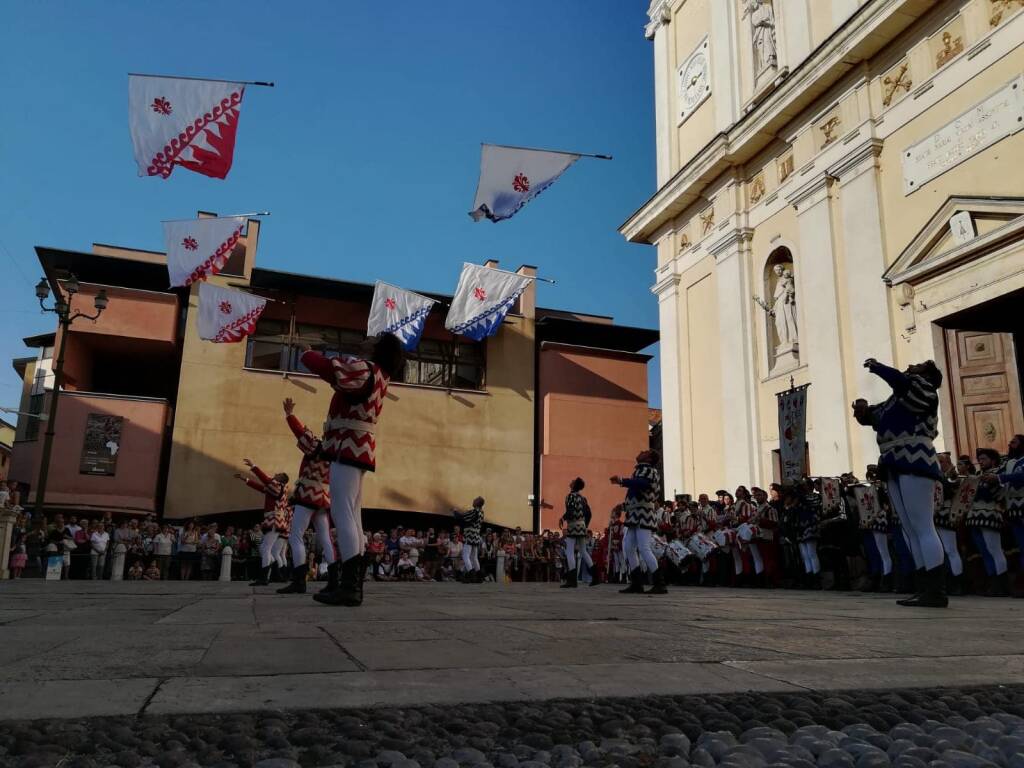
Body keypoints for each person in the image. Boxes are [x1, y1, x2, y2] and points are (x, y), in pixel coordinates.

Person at [301, 334, 405, 607]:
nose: (367, 339)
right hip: (357, 447)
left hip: (348, 445)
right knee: (352, 515)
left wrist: (307, 354)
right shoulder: (380, 374)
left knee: (342, 512)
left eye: (374, 338)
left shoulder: (365, 368)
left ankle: (349, 586)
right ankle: (352, 582)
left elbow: (331, 369)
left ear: (379, 349)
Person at [853, 358, 947, 608]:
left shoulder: (924, 390)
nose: (910, 367)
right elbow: (875, 416)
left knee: (922, 525)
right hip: (894, 462)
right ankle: (924, 585)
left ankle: (936, 589)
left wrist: (878, 368)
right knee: (910, 528)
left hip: (915, 458)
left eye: (916, 366)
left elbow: (902, 382)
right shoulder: (899, 399)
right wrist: (862, 412)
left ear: (926, 374)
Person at [278, 397, 335, 595]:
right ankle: (335, 579)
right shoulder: (335, 451)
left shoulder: (318, 446)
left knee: (295, 536)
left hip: (308, 494)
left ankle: (299, 580)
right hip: (324, 496)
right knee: (325, 537)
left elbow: (300, 432)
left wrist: (289, 414)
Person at [612, 449, 664, 595]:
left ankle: (659, 583)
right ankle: (637, 583)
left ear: (648, 458)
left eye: (645, 452)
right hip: (635, 514)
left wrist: (622, 481)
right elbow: (637, 494)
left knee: (644, 548)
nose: (641, 452)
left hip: (644, 514)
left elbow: (641, 484)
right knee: (628, 547)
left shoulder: (649, 470)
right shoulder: (641, 470)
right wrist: (623, 506)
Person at [235, 460, 292, 587]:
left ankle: (264, 578)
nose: (275, 474)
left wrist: (253, 466)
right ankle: (275, 574)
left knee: (266, 548)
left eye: (278, 474)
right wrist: (246, 480)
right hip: (275, 521)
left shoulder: (278, 486)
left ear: (281, 479)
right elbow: (262, 487)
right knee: (267, 549)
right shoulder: (277, 488)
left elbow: (265, 480)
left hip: (274, 521)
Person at [970, 448, 1009, 596]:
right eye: (980, 459)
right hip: (974, 517)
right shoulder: (977, 476)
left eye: (984, 458)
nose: (981, 461)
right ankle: (993, 580)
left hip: (990, 514)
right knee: (984, 551)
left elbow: (999, 495)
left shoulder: (997, 474)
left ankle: (1001, 582)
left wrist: (988, 484)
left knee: (995, 550)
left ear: (993, 460)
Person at [996, 434, 1024, 597]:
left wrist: (999, 477)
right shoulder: (1008, 463)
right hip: (1012, 510)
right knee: (1020, 547)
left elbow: (1021, 477)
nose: (1009, 444)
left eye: (1013, 442)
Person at [560, 477, 595, 588]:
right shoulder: (582, 498)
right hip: (582, 525)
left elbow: (570, 510)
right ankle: (596, 576)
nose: (571, 481)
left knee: (569, 551)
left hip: (573, 525)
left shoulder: (570, 496)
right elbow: (589, 514)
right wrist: (585, 525)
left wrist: (563, 518)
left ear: (574, 485)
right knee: (583, 551)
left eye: (573, 481)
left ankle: (572, 579)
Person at [454, 497, 485, 583]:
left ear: (477, 503)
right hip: (476, 537)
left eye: (475, 500)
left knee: (465, 555)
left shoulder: (474, 511)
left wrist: (455, 511)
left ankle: (471, 575)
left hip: (470, 536)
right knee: (474, 557)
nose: (473, 501)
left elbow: (462, 517)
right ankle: (479, 576)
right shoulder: (482, 512)